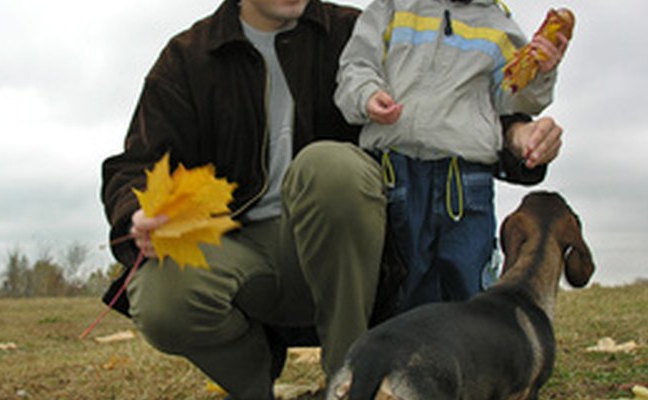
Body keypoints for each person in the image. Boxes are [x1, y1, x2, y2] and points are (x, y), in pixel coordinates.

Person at [100, 0, 564, 398]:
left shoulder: (355, 30)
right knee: (161, 297)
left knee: (330, 166)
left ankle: (348, 376)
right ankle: (254, 378)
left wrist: (517, 134)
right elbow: (133, 164)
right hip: (236, 248)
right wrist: (135, 212)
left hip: (356, 256)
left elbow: (446, 109)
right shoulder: (188, 58)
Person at [334, 0, 569, 311]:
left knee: (469, 288)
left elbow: (514, 100)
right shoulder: (391, 8)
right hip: (396, 173)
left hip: (466, 179)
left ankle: (473, 357)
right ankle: (406, 357)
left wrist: (540, 74)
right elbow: (356, 66)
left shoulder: (500, 25)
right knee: (403, 288)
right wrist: (366, 95)